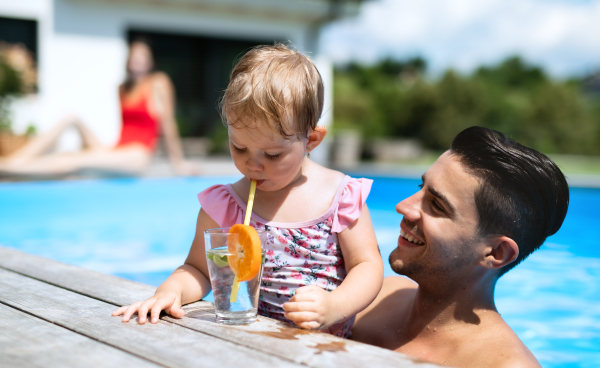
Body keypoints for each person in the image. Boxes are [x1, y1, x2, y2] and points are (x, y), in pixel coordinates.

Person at [112, 44, 384, 337]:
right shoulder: (226, 206)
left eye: (273, 155)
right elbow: (199, 270)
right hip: (250, 343)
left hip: (323, 348)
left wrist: (334, 305)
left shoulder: (340, 196)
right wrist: (171, 290)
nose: (253, 165)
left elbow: (367, 267)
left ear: (311, 141)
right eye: (239, 147)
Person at [351, 126, 569, 367]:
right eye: (419, 188)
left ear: (496, 253)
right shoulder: (370, 297)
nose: (404, 207)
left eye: (437, 206)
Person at [0, 38, 194, 176]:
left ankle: (5, 168)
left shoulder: (158, 82)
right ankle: (13, 162)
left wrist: (178, 163)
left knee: (69, 161)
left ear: (151, 61)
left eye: (143, 56)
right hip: (116, 149)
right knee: (71, 118)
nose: (137, 59)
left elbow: (168, 123)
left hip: (137, 154)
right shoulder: (122, 88)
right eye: (134, 55)